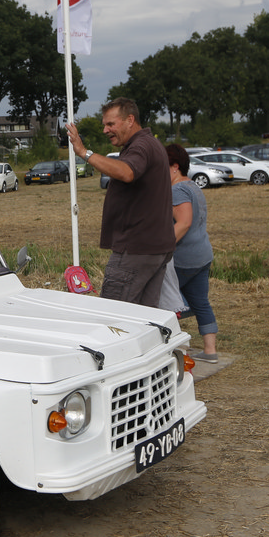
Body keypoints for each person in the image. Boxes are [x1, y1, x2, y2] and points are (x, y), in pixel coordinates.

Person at [65, 98, 175, 307]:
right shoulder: (150, 143)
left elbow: (127, 172)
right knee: (145, 316)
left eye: (111, 124)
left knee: (115, 313)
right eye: (104, 125)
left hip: (136, 249)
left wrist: (84, 153)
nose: (105, 130)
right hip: (154, 248)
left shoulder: (141, 146)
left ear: (130, 120)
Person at [166, 144, 219, 363]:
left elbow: (184, 222)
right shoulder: (193, 186)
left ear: (175, 167)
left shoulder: (177, 190)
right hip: (203, 254)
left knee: (166, 304)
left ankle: (175, 350)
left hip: (184, 258)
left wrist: (162, 246)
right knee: (201, 302)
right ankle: (210, 351)